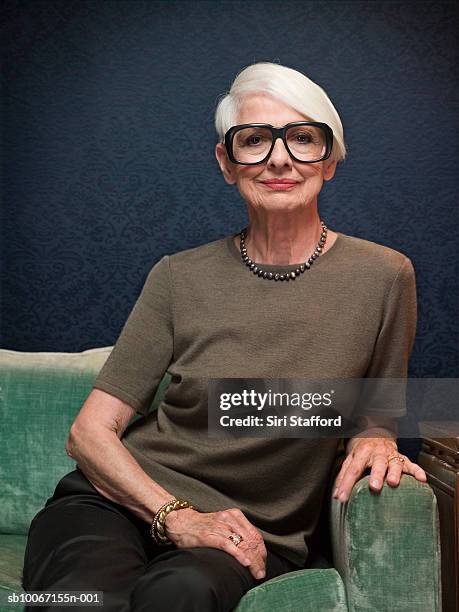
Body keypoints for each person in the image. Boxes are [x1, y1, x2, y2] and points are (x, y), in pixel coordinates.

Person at [22, 61, 427, 612]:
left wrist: (376, 437)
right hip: (114, 504)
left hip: (250, 530)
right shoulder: (177, 276)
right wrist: (178, 517)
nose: (280, 159)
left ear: (330, 160)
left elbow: (372, 413)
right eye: (255, 140)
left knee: (179, 595)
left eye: (304, 138)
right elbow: (89, 433)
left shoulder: (385, 276)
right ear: (226, 162)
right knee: (79, 599)